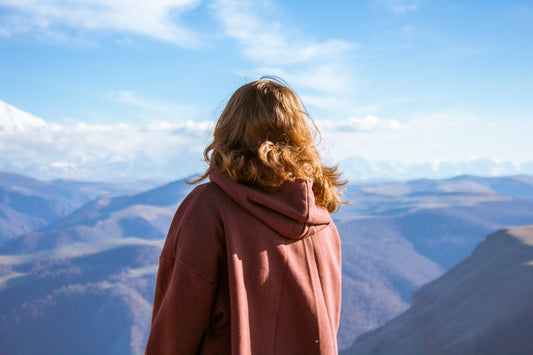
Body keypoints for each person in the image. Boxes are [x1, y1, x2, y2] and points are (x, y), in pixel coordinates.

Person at [145, 77, 345, 355]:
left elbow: (175, 330)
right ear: (300, 135)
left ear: (229, 131)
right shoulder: (323, 224)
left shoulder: (208, 208)